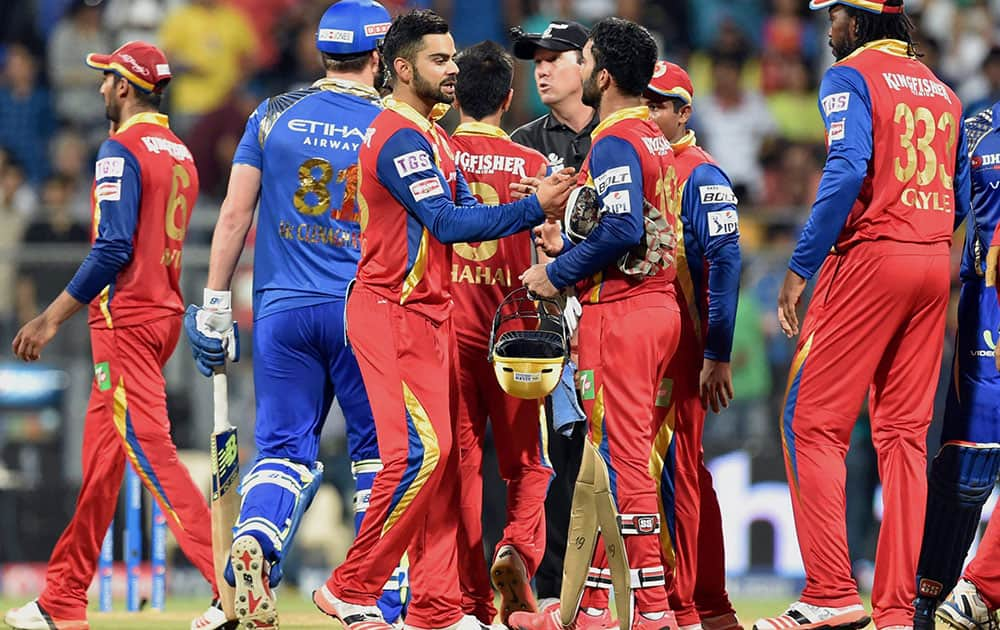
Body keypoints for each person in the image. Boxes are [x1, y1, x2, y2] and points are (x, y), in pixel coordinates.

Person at [310, 10, 574, 630]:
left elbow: (458, 212)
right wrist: (533, 204)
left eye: (454, 59)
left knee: (438, 462)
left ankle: (430, 605)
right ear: (401, 69)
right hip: (392, 311)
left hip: (434, 316)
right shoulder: (400, 136)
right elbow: (451, 224)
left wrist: (529, 209)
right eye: (438, 60)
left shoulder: (432, 136)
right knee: (421, 458)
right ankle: (352, 587)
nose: (452, 69)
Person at [182, 1, 408, 628]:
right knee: (379, 459)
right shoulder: (392, 122)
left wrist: (216, 304)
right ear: (382, 56)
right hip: (362, 311)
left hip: (280, 310)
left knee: (282, 452)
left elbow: (232, 216)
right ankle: (375, 598)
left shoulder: (272, 113)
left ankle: (254, 545)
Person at [755, 1, 970, 629]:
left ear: (859, 21)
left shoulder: (849, 75)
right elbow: (955, 192)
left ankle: (829, 589)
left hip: (873, 257)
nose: (828, 27)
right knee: (903, 438)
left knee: (811, 422)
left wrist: (800, 266)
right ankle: (900, 610)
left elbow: (847, 166)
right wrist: (922, 241)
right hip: (933, 262)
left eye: (834, 15)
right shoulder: (943, 92)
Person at [6, 41, 231, 630]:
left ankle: (229, 584)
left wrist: (51, 316)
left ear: (126, 87)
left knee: (154, 456)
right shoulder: (180, 151)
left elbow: (112, 245)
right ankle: (62, 598)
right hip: (160, 317)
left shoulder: (119, 150)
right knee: (102, 469)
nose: (102, 89)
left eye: (107, 80)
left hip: (125, 322)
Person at [509, 16, 682, 630]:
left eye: (582, 58)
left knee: (624, 459)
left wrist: (553, 275)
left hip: (623, 314)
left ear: (602, 75)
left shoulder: (614, 140)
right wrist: (567, 248)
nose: (573, 65)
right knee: (610, 458)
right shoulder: (655, 136)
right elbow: (629, 230)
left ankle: (653, 607)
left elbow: (625, 228)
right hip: (655, 305)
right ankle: (599, 604)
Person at [448, 40, 553, 625]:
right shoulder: (534, 169)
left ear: (454, 92)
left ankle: (467, 603)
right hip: (515, 338)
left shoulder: (437, 154)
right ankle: (517, 547)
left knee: (457, 468)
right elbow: (556, 248)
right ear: (510, 99)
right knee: (528, 465)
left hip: (448, 330)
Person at [642, 61, 743, 630]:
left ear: (685, 112)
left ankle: (681, 606)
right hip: (656, 343)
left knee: (675, 470)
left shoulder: (702, 176)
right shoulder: (644, 161)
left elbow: (726, 265)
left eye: (663, 105)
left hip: (683, 348)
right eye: (647, 101)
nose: (652, 113)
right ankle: (711, 604)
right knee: (687, 474)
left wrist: (716, 353)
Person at [509, 19, 597, 609]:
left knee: (609, 463)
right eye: (535, 59)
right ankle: (547, 594)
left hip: (608, 322)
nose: (541, 68)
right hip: (542, 333)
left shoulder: (619, 135)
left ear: (589, 63)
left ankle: (615, 591)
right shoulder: (521, 144)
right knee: (550, 464)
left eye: (555, 56)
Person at [912, 98, 1000, 630]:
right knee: (967, 466)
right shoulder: (977, 128)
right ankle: (934, 597)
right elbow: (940, 213)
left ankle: (980, 596)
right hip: (986, 309)